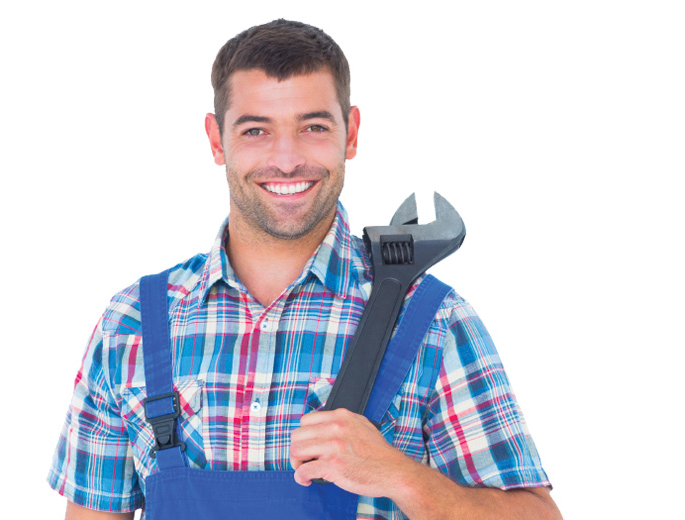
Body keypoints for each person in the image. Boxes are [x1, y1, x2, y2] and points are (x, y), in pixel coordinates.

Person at [48, 19, 561, 520]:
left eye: (313, 127)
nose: (287, 159)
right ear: (216, 140)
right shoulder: (132, 324)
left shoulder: (433, 321)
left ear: (351, 133)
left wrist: (400, 476)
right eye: (256, 130)